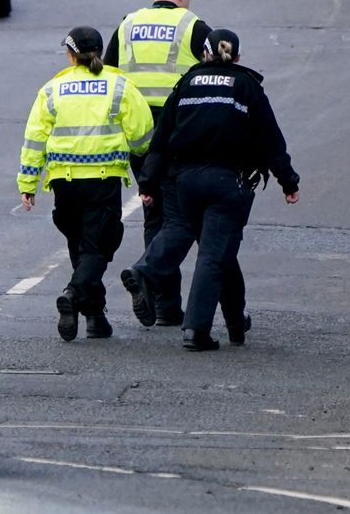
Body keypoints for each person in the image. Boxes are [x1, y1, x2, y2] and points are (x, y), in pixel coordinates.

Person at [121, 29, 300, 352]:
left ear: (204, 54)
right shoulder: (246, 86)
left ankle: (235, 323)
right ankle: (196, 330)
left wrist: (147, 182)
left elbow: (160, 141)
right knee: (214, 255)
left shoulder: (186, 83)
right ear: (238, 56)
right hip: (229, 183)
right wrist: (288, 181)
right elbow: (271, 140)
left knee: (217, 248)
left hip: (185, 182)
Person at [19, 26, 155, 342]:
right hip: (103, 180)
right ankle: (74, 293)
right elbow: (142, 138)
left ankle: (94, 317)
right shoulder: (120, 86)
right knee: (99, 245)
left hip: (64, 184)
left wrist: (28, 183)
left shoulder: (52, 89)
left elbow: (34, 141)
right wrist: (148, 175)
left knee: (80, 244)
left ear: (70, 55)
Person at [104, 0, 214, 325]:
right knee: (183, 218)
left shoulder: (127, 24)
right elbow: (219, 76)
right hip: (179, 134)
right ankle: (150, 279)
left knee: (154, 213)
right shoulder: (192, 26)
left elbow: (107, 72)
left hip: (138, 136)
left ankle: (166, 306)